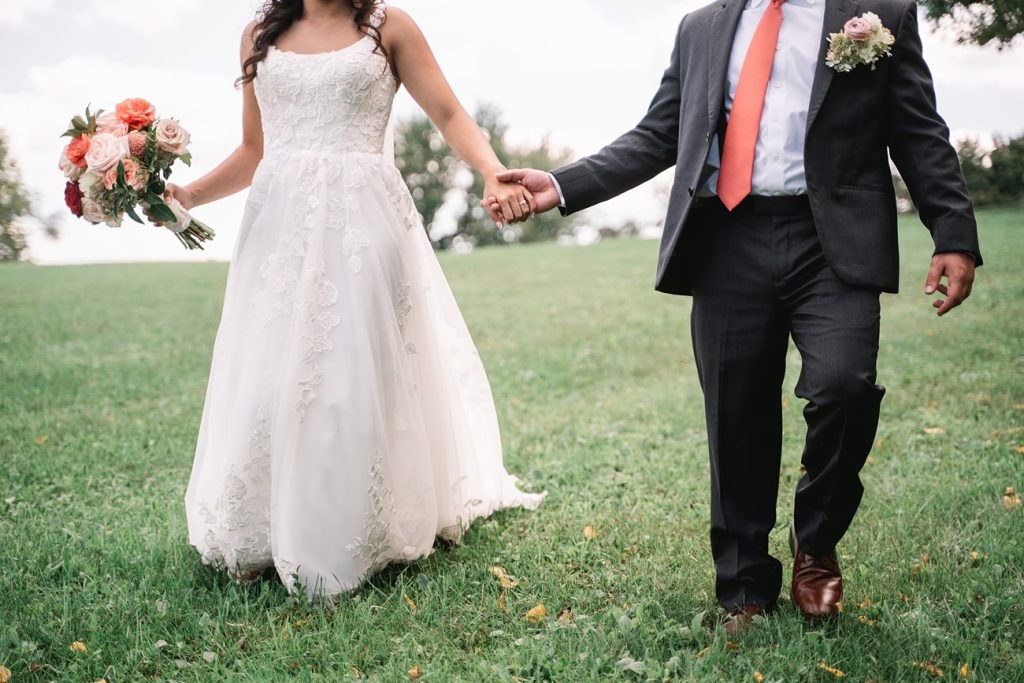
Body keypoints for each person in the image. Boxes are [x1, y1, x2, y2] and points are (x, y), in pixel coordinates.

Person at [493, 0, 981, 633]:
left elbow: (918, 129)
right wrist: (558, 185)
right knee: (736, 412)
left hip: (830, 238)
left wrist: (954, 233)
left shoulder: (877, 12)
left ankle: (817, 540)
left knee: (845, 387)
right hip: (726, 235)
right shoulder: (701, 27)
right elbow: (659, 134)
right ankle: (745, 585)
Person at [171, 0, 545, 599]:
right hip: (279, 230)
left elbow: (447, 111)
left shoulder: (386, 27)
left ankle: (346, 531)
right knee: (269, 372)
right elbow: (253, 150)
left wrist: (491, 169)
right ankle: (258, 528)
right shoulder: (258, 36)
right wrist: (187, 193)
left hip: (362, 223)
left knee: (346, 373)